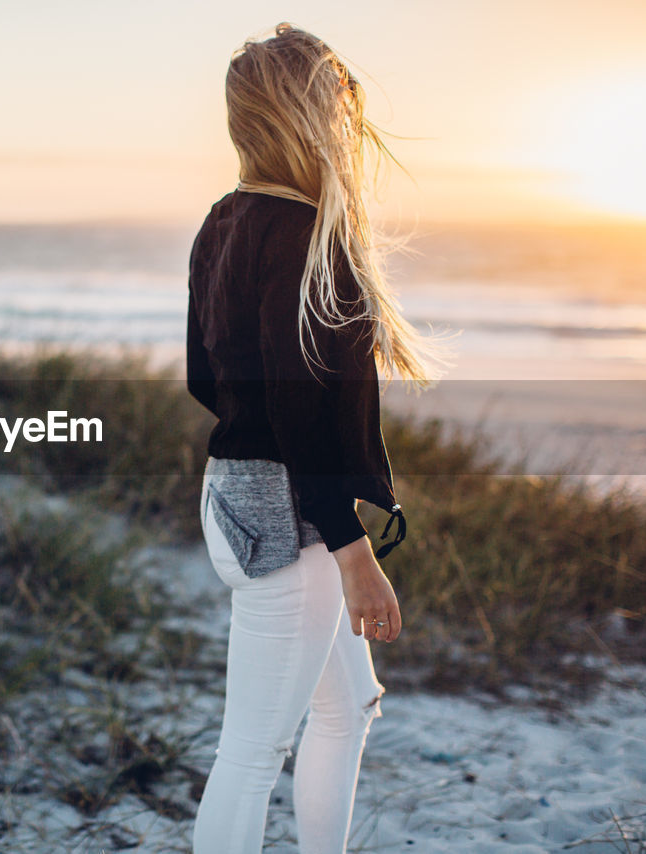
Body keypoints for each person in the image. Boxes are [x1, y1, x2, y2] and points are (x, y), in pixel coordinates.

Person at [185, 23, 453, 854]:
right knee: (253, 748)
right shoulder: (309, 235)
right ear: (310, 117)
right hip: (289, 524)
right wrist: (354, 552)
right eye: (337, 103)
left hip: (231, 501)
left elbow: (205, 379)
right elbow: (299, 418)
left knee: (349, 706)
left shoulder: (221, 221)